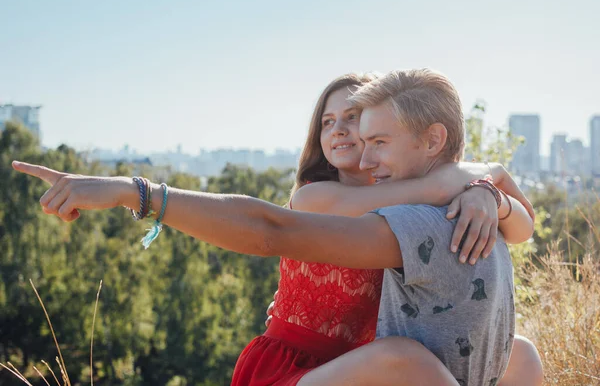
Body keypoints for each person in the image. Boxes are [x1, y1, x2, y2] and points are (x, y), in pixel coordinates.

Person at [12, 69, 543, 385]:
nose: (342, 132)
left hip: (361, 368)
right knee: (406, 360)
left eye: (363, 128)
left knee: (517, 351)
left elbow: (523, 226)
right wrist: (478, 182)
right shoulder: (322, 197)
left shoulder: (417, 203)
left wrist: (486, 194)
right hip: (298, 369)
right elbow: (269, 229)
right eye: (328, 122)